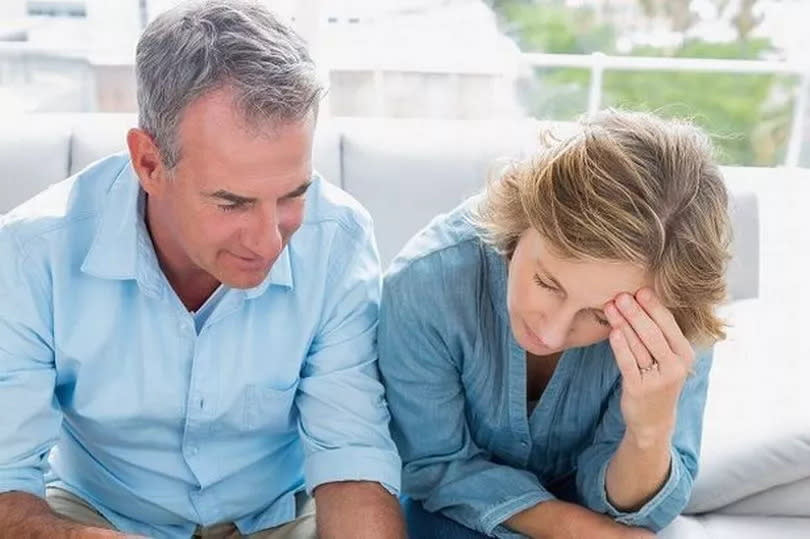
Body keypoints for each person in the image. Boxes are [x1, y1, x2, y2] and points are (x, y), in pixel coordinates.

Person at [0, 1, 404, 537]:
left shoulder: (340, 240)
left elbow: (352, 458)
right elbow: (6, 478)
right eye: (231, 202)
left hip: (283, 513)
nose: (268, 241)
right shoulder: (31, 252)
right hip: (96, 515)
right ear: (149, 162)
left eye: (292, 195)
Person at [378, 110, 730, 538]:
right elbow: (434, 465)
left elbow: (641, 515)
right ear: (522, 217)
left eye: (601, 315)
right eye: (547, 282)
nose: (551, 334)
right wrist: (579, 529)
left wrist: (648, 429)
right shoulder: (425, 284)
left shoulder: (672, 323)